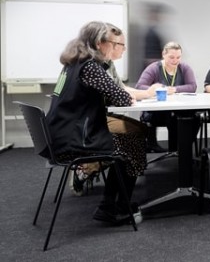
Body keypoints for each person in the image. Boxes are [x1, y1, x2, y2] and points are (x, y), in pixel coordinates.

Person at [46, 21, 142, 224]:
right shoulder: (90, 66)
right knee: (133, 141)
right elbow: (122, 98)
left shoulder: (75, 62)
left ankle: (113, 201)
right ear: (101, 43)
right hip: (74, 140)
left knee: (136, 131)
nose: (122, 49)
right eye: (119, 44)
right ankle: (112, 207)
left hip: (63, 132)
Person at [135, 42, 197, 152]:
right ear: (163, 55)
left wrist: (175, 89)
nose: (175, 60)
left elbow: (192, 86)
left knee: (194, 116)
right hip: (156, 112)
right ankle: (175, 150)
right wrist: (156, 89)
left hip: (179, 108)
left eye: (178, 57)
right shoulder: (154, 68)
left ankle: (183, 147)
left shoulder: (184, 68)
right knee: (172, 116)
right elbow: (139, 86)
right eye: (171, 57)